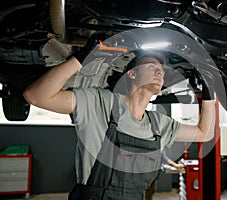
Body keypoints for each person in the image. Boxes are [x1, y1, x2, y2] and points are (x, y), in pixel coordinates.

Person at [23, 36, 215, 200]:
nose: (159, 72)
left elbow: (203, 133)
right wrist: (81, 57)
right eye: (151, 66)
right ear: (131, 74)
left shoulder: (158, 124)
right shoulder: (100, 102)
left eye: (162, 71)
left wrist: (208, 95)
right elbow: (35, 96)